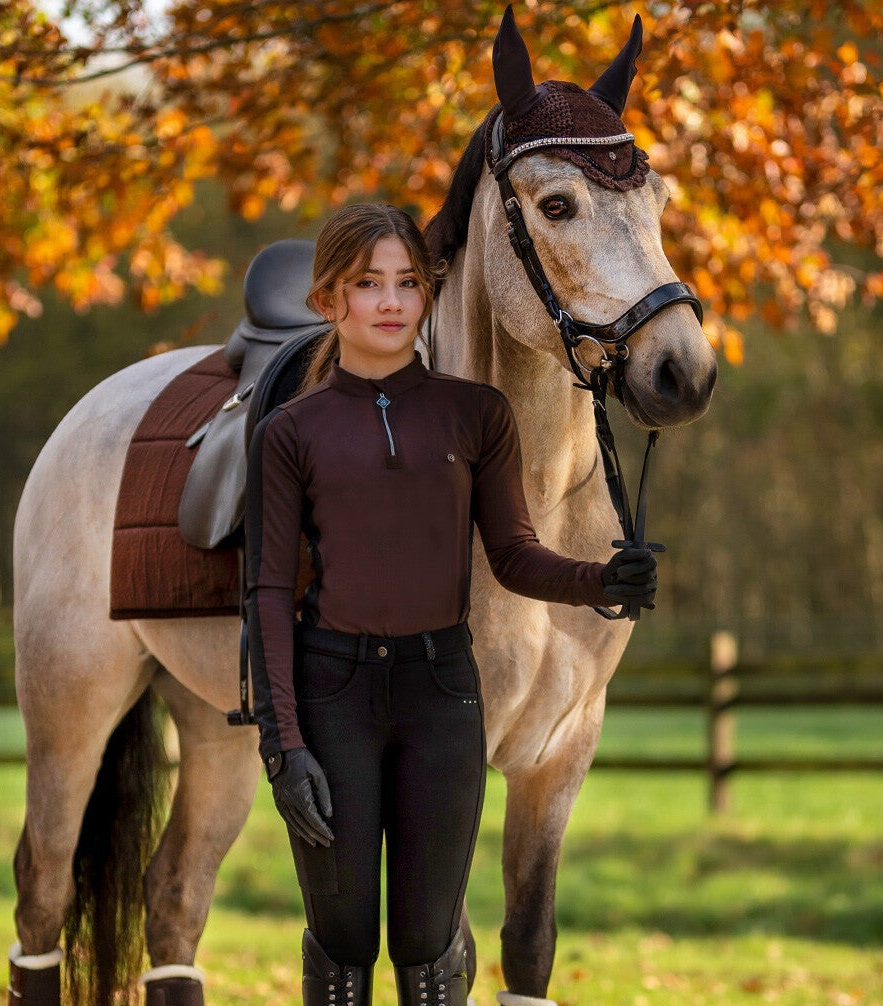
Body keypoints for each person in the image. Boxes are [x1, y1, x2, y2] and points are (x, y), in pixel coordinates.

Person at [244, 202, 656, 1006]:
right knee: (343, 940)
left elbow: (514, 556)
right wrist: (282, 744)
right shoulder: (290, 431)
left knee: (430, 944)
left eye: (408, 283)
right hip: (333, 695)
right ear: (327, 299)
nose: (391, 302)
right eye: (368, 284)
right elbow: (266, 591)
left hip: (441, 698)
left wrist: (603, 581)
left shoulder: (477, 416)